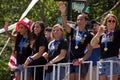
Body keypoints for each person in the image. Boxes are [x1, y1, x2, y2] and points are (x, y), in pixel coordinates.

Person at [59, 2, 93, 80]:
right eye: (77, 20)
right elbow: (65, 25)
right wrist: (63, 13)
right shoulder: (73, 31)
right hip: (71, 60)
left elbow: (90, 50)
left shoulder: (89, 35)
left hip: (81, 61)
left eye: (81, 19)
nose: (79, 21)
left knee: (78, 78)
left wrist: (83, 59)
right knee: (71, 77)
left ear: (86, 21)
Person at [90, 13, 120, 80]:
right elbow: (92, 44)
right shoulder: (102, 35)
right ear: (106, 23)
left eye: (113, 21)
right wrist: (98, 33)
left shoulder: (117, 32)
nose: (111, 22)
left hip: (112, 60)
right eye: (109, 21)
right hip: (102, 61)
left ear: (116, 23)